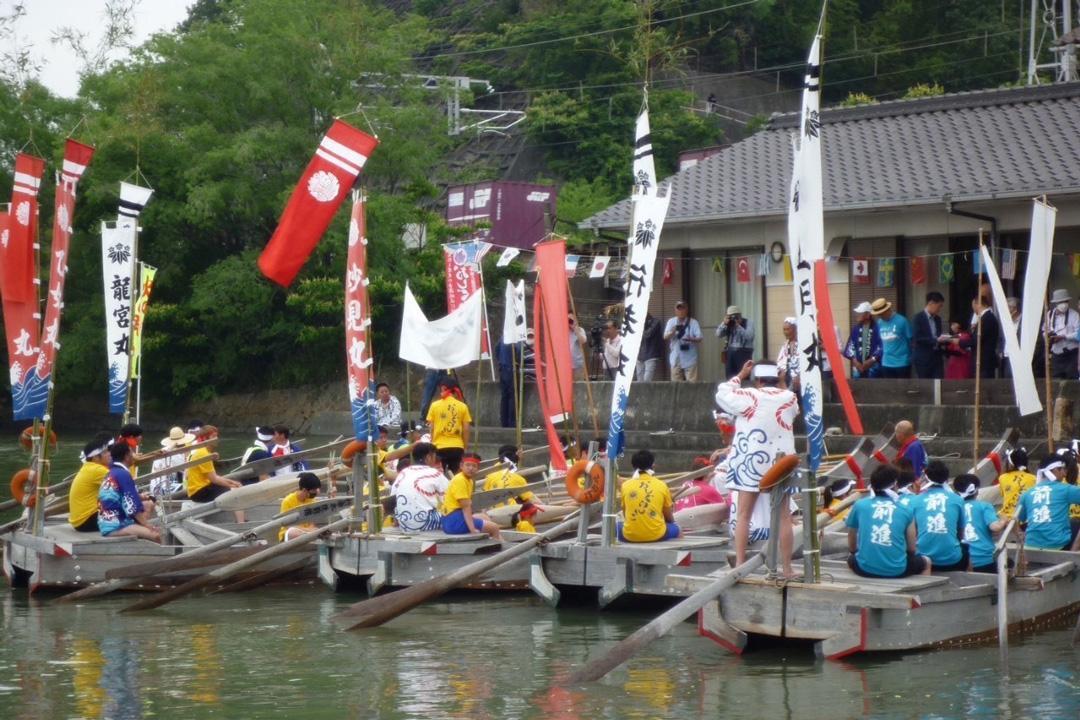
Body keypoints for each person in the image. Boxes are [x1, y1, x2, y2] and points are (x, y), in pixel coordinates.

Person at [715, 360, 798, 575]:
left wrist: (740, 374)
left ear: (758, 379)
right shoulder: (789, 397)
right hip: (780, 464)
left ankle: (741, 562)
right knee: (784, 516)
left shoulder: (750, 395)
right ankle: (787, 567)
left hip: (750, 463)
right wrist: (782, 381)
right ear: (776, 377)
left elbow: (722, 393)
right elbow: (793, 409)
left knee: (744, 515)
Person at [846, 464, 931, 578]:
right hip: (897, 570)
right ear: (895, 484)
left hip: (864, 568)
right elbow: (911, 548)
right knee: (926, 562)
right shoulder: (905, 509)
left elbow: (852, 538)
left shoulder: (860, 504)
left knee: (851, 559)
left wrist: (854, 552)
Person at [911, 460, 967, 571]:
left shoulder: (915, 500)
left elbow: (914, 533)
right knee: (967, 549)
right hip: (952, 559)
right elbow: (961, 533)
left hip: (922, 558)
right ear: (946, 479)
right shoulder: (957, 499)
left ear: (926, 478)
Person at [98, 442, 160, 541]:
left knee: (148, 505)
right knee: (156, 535)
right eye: (132, 453)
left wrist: (141, 497)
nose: (133, 456)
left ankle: (141, 533)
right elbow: (132, 506)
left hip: (111, 519)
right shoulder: (123, 474)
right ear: (126, 456)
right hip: (115, 524)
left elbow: (125, 497)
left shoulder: (113, 472)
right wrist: (148, 525)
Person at [1016, 456, 1080, 550]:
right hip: (1058, 545)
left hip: (1030, 544)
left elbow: (1016, 520)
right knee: (1075, 522)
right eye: (1062, 469)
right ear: (1054, 470)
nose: (1065, 474)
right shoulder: (1066, 489)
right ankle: (1074, 551)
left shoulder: (1027, 493)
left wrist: (1020, 536)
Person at [618, 449, 680, 542]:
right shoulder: (661, 485)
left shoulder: (625, 485)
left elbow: (625, 514)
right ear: (653, 465)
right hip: (656, 535)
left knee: (617, 526)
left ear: (633, 466)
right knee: (678, 529)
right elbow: (669, 517)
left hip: (629, 536)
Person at [390, 442, 449, 532]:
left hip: (404, 524)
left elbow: (393, 498)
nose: (435, 459)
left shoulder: (404, 472)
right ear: (428, 457)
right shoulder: (434, 473)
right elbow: (450, 497)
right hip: (425, 523)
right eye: (434, 456)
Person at [954, 474, 1007, 573]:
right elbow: (995, 527)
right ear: (977, 490)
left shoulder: (954, 508)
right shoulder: (984, 506)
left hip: (961, 560)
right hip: (984, 560)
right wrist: (1004, 519)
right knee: (1009, 564)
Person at [441, 452, 501, 539]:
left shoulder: (469, 481)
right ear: (461, 466)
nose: (471, 468)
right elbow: (466, 508)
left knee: (484, 517)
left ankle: (501, 542)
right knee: (494, 528)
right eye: (468, 465)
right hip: (453, 522)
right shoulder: (460, 480)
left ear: (477, 468)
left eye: (474, 466)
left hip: (455, 518)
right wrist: (472, 529)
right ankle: (498, 549)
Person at [69, 433, 115, 533]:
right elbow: (121, 485)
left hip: (80, 521)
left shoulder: (89, 467)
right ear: (95, 458)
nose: (109, 454)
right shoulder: (97, 470)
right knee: (133, 511)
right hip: (86, 521)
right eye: (105, 452)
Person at [426, 376, 472, 475]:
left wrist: (432, 443)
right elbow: (466, 429)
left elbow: (432, 427)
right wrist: (465, 446)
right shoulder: (463, 406)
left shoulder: (434, 405)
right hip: (457, 446)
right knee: (456, 475)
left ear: (443, 389)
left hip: (438, 447)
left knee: (438, 475)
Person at [185, 425, 242, 503]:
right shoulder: (203, 453)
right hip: (199, 492)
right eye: (214, 436)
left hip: (201, 488)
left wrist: (231, 482)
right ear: (205, 438)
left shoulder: (203, 451)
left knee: (234, 487)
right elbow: (214, 479)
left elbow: (214, 477)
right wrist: (232, 485)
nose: (217, 439)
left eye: (217, 436)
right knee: (235, 492)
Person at [871, 298, 911, 378]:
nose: (880, 316)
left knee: (903, 388)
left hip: (902, 362)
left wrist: (909, 357)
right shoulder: (879, 323)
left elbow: (910, 339)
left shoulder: (902, 321)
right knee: (889, 389)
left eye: (881, 313)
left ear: (888, 310)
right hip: (886, 362)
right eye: (878, 314)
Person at [150, 426, 196, 495]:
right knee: (193, 486)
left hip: (162, 484)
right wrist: (187, 456)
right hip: (161, 488)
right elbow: (187, 470)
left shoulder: (167, 449)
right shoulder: (175, 454)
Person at [664, 300, 703, 381]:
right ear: (675, 310)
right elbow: (665, 337)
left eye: (683, 309)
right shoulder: (671, 322)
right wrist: (673, 331)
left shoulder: (693, 322)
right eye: (679, 309)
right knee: (676, 386)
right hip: (675, 357)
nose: (681, 311)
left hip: (690, 358)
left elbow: (700, 338)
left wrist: (691, 339)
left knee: (692, 385)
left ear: (687, 310)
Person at [1045, 288, 1079, 378]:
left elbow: (1078, 333)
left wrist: (1064, 337)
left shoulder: (1074, 315)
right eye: (1061, 301)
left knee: (1072, 380)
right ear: (1056, 303)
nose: (1063, 304)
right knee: (1056, 379)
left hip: (1072, 353)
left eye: (1065, 301)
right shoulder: (1049, 315)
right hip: (1056, 352)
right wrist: (1049, 337)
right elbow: (1044, 330)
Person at [963, 296, 1000, 378]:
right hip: (982, 360)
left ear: (978, 304)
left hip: (984, 361)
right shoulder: (985, 318)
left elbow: (977, 340)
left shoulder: (987, 318)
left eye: (973, 306)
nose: (973, 309)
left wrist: (960, 342)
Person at [278, 472, 322, 541]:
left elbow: (312, 523)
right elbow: (288, 525)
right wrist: (308, 530)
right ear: (304, 490)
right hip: (290, 533)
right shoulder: (288, 501)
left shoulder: (311, 500)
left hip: (307, 532)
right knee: (293, 532)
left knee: (318, 531)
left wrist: (310, 530)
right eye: (313, 490)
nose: (315, 492)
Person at [843, 302, 882, 378]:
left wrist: (872, 359)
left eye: (860, 313)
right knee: (858, 387)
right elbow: (850, 347)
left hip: (874, 365)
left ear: (867, 315)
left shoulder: (877, 328)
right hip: (858, 366)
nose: (857, 315)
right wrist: (855, 362)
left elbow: (881, 346)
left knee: (874, 387)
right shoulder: (855, 329)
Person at [912, 291, 946, 379]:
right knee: (925, 384)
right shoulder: (918, 318)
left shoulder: (938, 319)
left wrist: (945, 339)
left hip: (936, 357)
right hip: (923, 358)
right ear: (931, 303)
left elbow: (938, 335)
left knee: (939, 383)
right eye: (939, 306)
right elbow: (918, 337)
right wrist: (935, 340)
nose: (939, 309)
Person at [717, 305, 754, 380]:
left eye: (735, 316)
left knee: (744, 377)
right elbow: (718, 334)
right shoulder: (728, 324)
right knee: (730, 377)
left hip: (744, 352)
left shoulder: (748, 322)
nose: (733, 319)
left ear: (740, 315)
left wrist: (738, 326)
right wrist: (724, 324)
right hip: (730, 352)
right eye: (730, 317)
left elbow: (749, 336)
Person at [997, 448, 1036, 518]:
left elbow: (1004, 495)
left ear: (1011, 464)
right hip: (1026, 517)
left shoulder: (1002, 478)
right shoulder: (1033, 478)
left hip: (1007, 517)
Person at [636, 313, 665, 381]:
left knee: (646, 380)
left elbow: (647, 334)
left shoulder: (655, 322)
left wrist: (638, 327)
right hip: (639, 355)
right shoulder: (636, 323)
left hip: (651, 354)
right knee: (639, 381)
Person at [1000, 297, 1022, 379]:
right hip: (1006, 356)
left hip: (1018, 357)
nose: (1006, 310)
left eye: (1008, 308)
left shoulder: (1023, 321)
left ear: (1015, 308)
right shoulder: (1006, 322)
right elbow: (1001, 338)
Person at [775, 317, 799, 389]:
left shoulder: (802, 344)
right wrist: (781, 371)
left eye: (788, 329)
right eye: (784, 330)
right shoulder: (785, 345)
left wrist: (798, 375)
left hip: (799, 379)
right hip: (786, 378)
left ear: (795, 329)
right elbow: (780, 361)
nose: (786, 332)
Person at [568, 314, 589, 381]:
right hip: (566, 365)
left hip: (578, 365)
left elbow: (583, 341)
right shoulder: (563, 331)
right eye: (568, 320)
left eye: (571, 320)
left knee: (578, 385)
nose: (570, 321)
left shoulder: (580, 330)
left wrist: (575, 329)